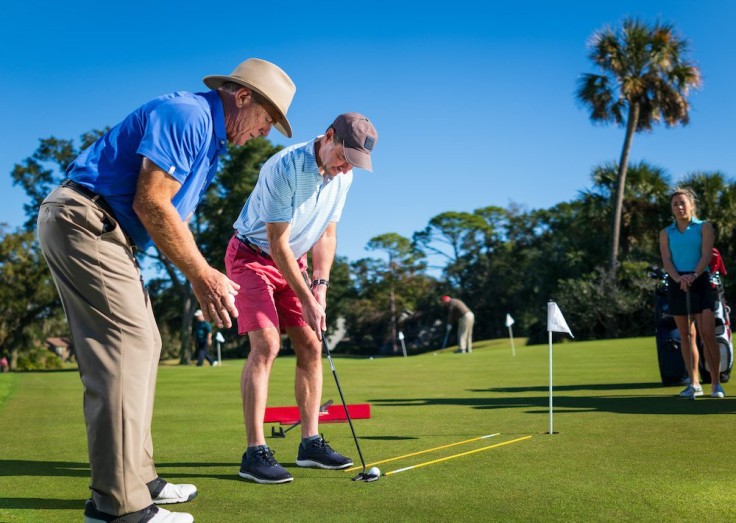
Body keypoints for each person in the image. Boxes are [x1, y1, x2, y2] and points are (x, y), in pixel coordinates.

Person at [37, 58, 296, 522]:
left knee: (147, 343)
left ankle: (140, 477)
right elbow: (152, 200)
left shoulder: (212, 143)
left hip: (107, 232)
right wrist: (201, 274)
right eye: (267, 119)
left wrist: (201, 274)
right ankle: (118, 507)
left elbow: (173, 216)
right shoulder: (189, 115)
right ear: (242, 97)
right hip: (86, 221)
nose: (265, 132)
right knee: (124, 349)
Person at [224, 112, 378, 484]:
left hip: (295, 261)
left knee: (311, 343)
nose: (345, 169)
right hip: (252, 257)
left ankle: (310, 443)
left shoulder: (344, 177)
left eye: (353, 164)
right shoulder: (286, 167)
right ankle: (254, 452)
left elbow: (327, 234)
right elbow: (277, 243)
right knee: (267, 345)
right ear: (328, 137)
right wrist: (306, 298)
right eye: (344, 157)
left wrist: (320, 287)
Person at [659, 187, 725, 399]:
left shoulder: (703, 227)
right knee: (686, 336)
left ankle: (716, 384)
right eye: (674, 204)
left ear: (692, 205)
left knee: (707, 334)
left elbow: (706, 255)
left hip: (700, 281)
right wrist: (679, 279)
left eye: (682, 203)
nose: (679, 207)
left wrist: (693, 276)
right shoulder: (666, 232)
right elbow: (667, 260)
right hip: (678, 282)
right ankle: (694, 383)